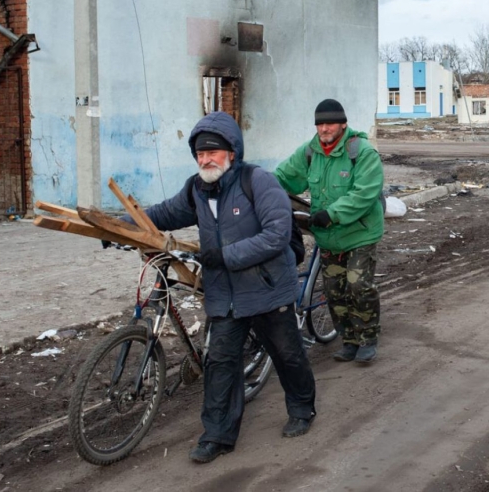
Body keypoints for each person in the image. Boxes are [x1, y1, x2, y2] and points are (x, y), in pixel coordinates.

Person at [132, 111, 316, 463]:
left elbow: (276, 235)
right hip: (226, 296)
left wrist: (224, 256)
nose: (205, 159)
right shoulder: (196, 189)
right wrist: (115, 227)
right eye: (200, 153)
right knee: (221, 363)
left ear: (232, 151)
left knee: (287, 354)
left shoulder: (257, 181)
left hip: (266, 289)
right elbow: (162, 214)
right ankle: (217, 436)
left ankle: (302, 409)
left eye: (213, 152)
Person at [274, 99, 384, 364]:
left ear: (343, 124)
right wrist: (257, 188)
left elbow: (364, 194)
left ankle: (367, 339)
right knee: (335, 291)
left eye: (330, 123)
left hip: (360, 234)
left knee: (358, 285)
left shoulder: (362, 152)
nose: (324, 128)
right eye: (320, 123)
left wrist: (332, 214)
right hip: (329, 238)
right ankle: (349, 341)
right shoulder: (310, 152)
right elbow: (283, 176)